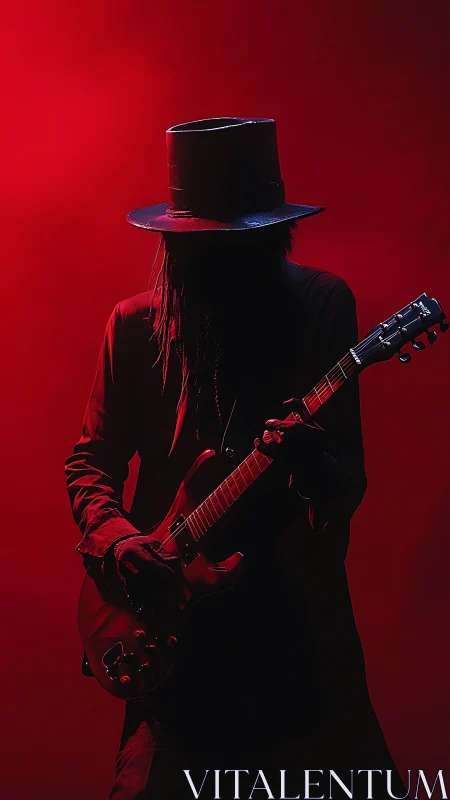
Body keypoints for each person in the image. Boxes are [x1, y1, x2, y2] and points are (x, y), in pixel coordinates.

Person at [65, 118, 404, 799]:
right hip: (172, 639)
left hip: (297, 646)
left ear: (271, 236)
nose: (219, 264)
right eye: (204, 247)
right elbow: (90, 463)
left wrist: (310, 466)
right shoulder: (134, 324)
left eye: (235, 246)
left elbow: (346, 488)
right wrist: (121, 541)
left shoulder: (320, 306)